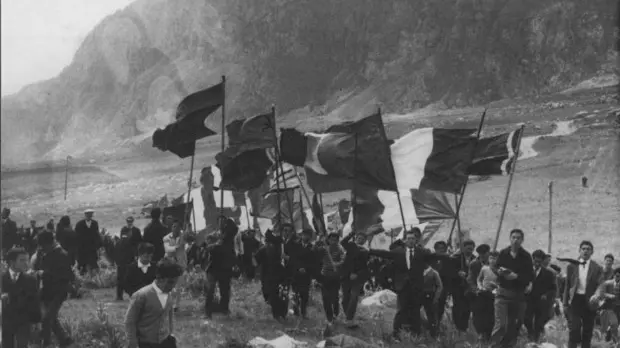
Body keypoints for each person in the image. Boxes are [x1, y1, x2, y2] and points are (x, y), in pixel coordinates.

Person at [369, 228, 432, 339]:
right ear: (405, 239)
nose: (411, 240)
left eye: (414, 238)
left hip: (416, 286)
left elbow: (431, 258)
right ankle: (396, 333)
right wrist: (370, 250)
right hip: (402, 285)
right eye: (409, 238)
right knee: (401, 310)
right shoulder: (398, 250)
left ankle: (416, 333)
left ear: (417, 239)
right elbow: (386, 253)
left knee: (415, 310)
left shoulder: (422, 251)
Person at [125, 259, 184, 348]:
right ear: (160, 278)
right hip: (146, 343)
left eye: (175, 283)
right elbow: (130, 321)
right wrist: (132, 342)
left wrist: (171, 332)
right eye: (170, 282)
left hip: (165, 341)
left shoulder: (169, 294)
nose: (173, 286)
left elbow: (170, 314)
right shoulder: (141, 295)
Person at [490, 229, 533, 348]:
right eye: (513, 237)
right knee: (501, 325)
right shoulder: (503, 253)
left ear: (522, 240)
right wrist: (500, 272)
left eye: (518, 238)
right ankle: (494, 346)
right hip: (502, 294)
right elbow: (496, 268)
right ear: (510, 238)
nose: (515, 240)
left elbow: (530, 276)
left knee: (514, 325)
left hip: (518, 295)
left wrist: (516, 276)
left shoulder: (526, 256)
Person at [34, 231, 74, 347]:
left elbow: (67, 276)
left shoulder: (62, 254)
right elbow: (39, 267)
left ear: (49, 243)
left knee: (47, 319)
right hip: (47, 291)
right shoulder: (45, 253)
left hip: (59, 292)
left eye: (42, 245)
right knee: (52, 318)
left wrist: (44, 274)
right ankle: (65, 339)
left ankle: (46, 344)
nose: (41, 248)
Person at [563, 240, 604, 348]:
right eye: (583, 249)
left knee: (587, 330)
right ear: (579, 251)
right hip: (575, 301)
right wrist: (564, 304)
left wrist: (597, 294)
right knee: (574, 329)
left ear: (592, 252)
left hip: (590, 302)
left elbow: (601, 284)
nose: (585, 251)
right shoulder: (571, 266)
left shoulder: (597, 268)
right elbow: (567, 286)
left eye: (588, 249)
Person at [2, 247, 41, 348]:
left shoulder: (30, 280)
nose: (26, 263)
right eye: (22, 260)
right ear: (12, 262)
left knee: (22, 344)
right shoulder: (2, 278)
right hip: (5, 320)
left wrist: (36, 321)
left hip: (23, 319)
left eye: (27, 260)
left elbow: (35, 301)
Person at [254, 228, 290, 322]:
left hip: (280, 275)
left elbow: (255, 262)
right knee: (274, 296)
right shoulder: (264, 249)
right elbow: (255, 262)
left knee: (281, 295)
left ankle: (280, 315)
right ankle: (279, 314)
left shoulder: (283, 247)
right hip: (269, 276)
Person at [524, 249, 557, 342]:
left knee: (539, 322)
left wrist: (546, 295)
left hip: (541, 302)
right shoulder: (526, 271)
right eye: (535, 261)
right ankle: (530, 333)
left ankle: (536, 339)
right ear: (532, 259)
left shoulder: (549, 274)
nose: (537, 263)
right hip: (528, 300)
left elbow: (553, 289)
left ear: (543, 261)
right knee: (526, 319)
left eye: (539, 261)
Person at [340, 231, 370, 328]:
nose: (360, 240)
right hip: (346, 276)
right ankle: (348, 317)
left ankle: (349, 319)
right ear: (356, 238)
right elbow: (343, 242)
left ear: (365, 241)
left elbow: (366, 267)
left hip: (357, 279)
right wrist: (352, 233)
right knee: (345, 299)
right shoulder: (351, 246)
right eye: (359, 238)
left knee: (354, 297)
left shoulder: (366, 251)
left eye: (362, 239)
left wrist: (357, 274)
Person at [286, 229, 317, 319]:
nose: (305, 237)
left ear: (310, 237)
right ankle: (296, 310)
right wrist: (299, 267)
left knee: (305, 295)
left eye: (308, 235)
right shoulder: (295, 246)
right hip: (296, 273)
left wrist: (306, 269)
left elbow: (313, 262)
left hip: (306, 275)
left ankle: (303, 312)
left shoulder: (312, 248)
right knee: (295, 293)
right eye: (304, 235)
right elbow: (293, 259)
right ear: (301, 235)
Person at [316, 232, 346, 325]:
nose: (333, 241)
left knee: (334, 298)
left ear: (338, 241)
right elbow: (316, 256)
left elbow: (343, 260)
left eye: (335, 240)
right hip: (325, 276)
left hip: (335, 277)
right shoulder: (324, 249)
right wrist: (319, 242)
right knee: (325, 298)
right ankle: (329, 318)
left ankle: (335, 313)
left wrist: (338, 264)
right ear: (328, 240)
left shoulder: (340, 249)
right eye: (331, 239)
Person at [450, 239, 477, 333]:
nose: (470, 251)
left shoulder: (475, 259)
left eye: (472, 249)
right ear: (463, 248)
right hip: (457, 287)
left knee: (467, 308)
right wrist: (457, 273)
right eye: (468, 248)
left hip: (468, 288)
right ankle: (457, 326)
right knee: (458, 307)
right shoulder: (455, 258)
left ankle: (464, 327)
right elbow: (449, 272)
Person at [163, 220, 188, 311]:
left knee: (178, 286)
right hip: (170, 264)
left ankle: (176, 305)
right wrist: (176, 247)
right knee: (170, 285)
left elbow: (191, 239)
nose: (175, 228)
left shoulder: (184, 236)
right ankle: (169, 303)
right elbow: (167, 249)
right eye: (174, 226)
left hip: (181, 264)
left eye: (177, 227)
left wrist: (188, 229)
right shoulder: (166, 238)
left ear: (180, 228)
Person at [476, 250, 500, 341]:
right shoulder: (484, 268)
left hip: (495, 295)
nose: (493, 260)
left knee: (492, 315)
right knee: (483, 314)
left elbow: (503, 283)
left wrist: (496, 287)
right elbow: (479, 279)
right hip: (484, 294)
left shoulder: (500, 270)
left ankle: (491, 334)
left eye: (495, 258)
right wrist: (480, 287)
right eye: (491, 258)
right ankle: (483, 334)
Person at [593, 267, 620, 342]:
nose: (617, 277)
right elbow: (600, 293)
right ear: (614, 275)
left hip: (618, 307)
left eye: (619, 276)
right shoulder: (607, 283)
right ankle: (611, 340)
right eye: (616, 275)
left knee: (616, 324)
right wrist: (609, 295)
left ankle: (611, 338)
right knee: (613, 323)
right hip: (609, 306)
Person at [75, 209, 102, 275]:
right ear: (85, 215)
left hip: (92, 248)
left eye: (90, 215)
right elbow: (76, 237)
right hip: (83, 249)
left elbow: (97, 235)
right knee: (83, 265)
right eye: (87, 215)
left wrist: (98, 246)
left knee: (93, 265)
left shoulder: (95, 223)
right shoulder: (79, 224)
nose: (89, 217)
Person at [422, 262, 443, 338]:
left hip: (431, 296)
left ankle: (434, 334)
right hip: (421, 296)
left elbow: (439, 286)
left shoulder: (434, 273)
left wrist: (436, 298)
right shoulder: (419, 271)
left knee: (432, 316)